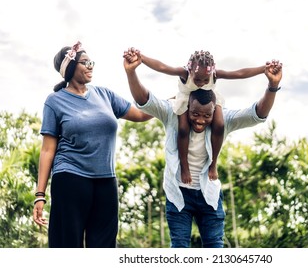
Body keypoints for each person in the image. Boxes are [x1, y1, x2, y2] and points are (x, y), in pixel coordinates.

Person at [123, 49, 283, 248]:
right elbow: (145, 99)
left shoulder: (221, 118)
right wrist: (132, 71)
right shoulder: (175, 113)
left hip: (209, 193)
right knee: (180, 247)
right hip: (179, 193)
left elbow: (257, 114)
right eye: (195, 114)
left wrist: (272, 85)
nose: (200, 121)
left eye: (206, 116)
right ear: (187, 107)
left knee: (215, 247)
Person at [32, 41, 152, 248]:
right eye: (85, 62)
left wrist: (173, 102)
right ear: (70, 68)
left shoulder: (104, 95)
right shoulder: (54, 101)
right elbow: (47, 150)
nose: (90, 66)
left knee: (104, 247)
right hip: (70, 178)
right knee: (67, 246)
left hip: (106, 181)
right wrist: (40, 195)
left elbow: (141, 114)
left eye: (91, 62)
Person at [131, 48, 269, 185]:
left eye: (205, 80)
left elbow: (239, 73)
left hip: (210, 101)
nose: (201, 83)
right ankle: (185, 168)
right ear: (190, 70)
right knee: (183, 129)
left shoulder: (214, 74)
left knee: (220, 125)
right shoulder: (184, 73)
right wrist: (141, 58)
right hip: (187, 100)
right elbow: (162, 67)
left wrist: (263, 69)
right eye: (197, 79)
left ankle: (213, 164)